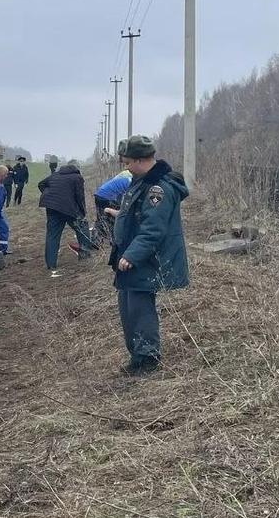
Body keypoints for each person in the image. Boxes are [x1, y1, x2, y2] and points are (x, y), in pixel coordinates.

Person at [107, 135, 189, 375]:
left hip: (146, 260)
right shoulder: (141, 181)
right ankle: (137, 357)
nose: (126, 168)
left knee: (140, 310)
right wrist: (120, 215)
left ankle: (147, 359)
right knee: (128, 308)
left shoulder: (157, 189)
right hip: (133, 257)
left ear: (141, 160)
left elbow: (153, 230)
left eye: (128, 163)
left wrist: (132, 256)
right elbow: (140, 215)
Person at [37, 163, 97, 277]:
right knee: (82, 227)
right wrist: (83, 212)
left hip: (52, 207)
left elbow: (41, 184)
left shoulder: (55, 175)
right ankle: (85, 255)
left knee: (52, 235)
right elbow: (80, 196)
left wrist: (49, 194)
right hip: (69, 208)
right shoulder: (77, 177)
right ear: (77, 170)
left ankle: (51, 264)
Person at [92, 167, 133, 248]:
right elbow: (128, 198)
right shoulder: (131, 180)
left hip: (99, 194)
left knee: (101, 218)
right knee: (113, 219)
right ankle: (115, 241)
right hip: (108, 196)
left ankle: (95, 241)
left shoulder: (123, 175)